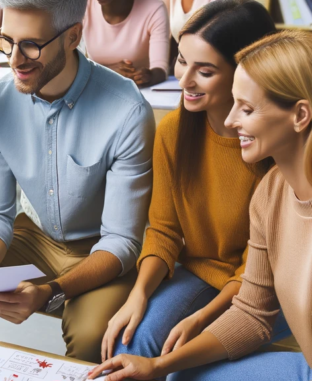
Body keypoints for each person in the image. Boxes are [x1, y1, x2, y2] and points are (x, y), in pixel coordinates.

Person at [0, 0, 156, 363]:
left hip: (101, 251)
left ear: (73, 37)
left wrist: (50, 291)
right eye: (7, 41)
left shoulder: (127, 111)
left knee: (92, 335)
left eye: (31, 45)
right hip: (32, 237)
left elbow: (122, 240)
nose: (15, 59)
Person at [89, 30, 312, 381]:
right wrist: (159, 366)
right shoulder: (271, 193)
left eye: (247, 108)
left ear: (300, 115)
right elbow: (253, 314)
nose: (231, 119)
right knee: (174, 372)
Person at [83, 0, 169, 88]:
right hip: (95, 88)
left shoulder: (154, 8)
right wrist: (109, 72)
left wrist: (146, 76)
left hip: (138, 91)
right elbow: (73, 68)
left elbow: (160, 70)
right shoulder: (84, 6)